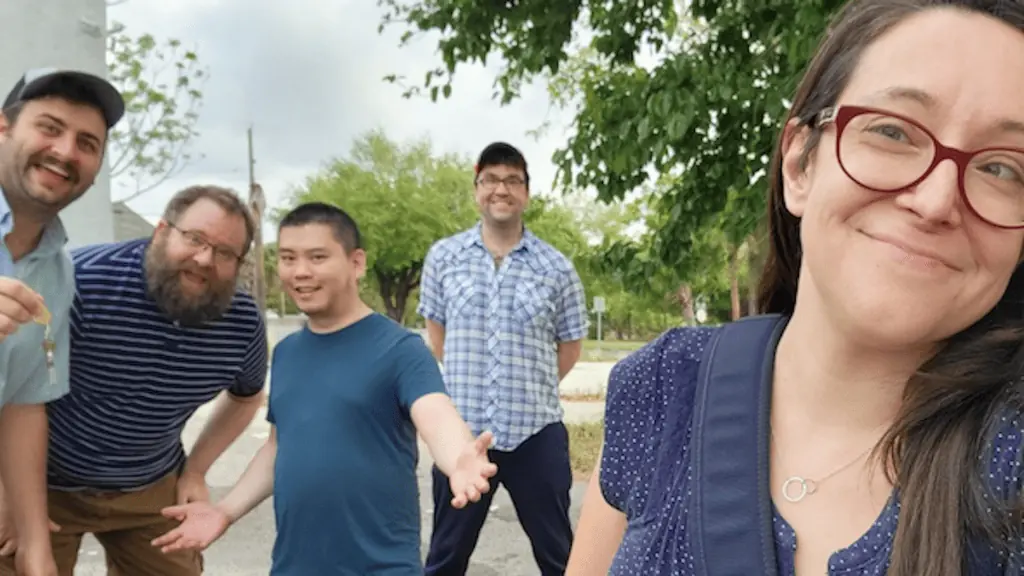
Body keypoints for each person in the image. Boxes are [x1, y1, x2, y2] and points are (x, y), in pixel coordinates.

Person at [566, 1, 1024, 575]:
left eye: (1002, 168)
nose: (935, 201)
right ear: (799, 165)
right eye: (892, 131)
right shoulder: (662, 388)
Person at [150, 202, 498, 575]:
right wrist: (224, 511)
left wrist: (459, 457)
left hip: (382, 568)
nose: (300, 272)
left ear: (356, 263)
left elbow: (435, 414)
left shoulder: (399, 349)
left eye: (317, 257)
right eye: (288, 258)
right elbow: (279, 446)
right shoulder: (286, 353)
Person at [0, 184, 268, 576]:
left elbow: (246, 397)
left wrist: (195, 470)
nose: (205, 259)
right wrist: (5, 492)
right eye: (194, 238)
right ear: (161, 230)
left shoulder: (242, 324)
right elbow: (13, 389)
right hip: (44, 484)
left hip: (150, 486)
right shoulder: (81, 283)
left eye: (226, 252)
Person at [418, 141, 589, 575]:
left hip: (536, 431)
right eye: (491, 179)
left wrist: (530, 385)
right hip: (463, 438)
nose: (502, 189)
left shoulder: (556, 267)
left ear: (526, 193)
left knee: (561, 558)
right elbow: (436, 334)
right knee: (445, 559)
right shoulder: (444, 258)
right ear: (477, 189)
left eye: (513, 180)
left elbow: (569, 346)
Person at [0, 67, 124, 576]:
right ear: (4, 128)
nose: (66, 151)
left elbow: (24, 405)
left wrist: (36, 547)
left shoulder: (59, 269)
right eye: (49, 127)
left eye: (87, 142)